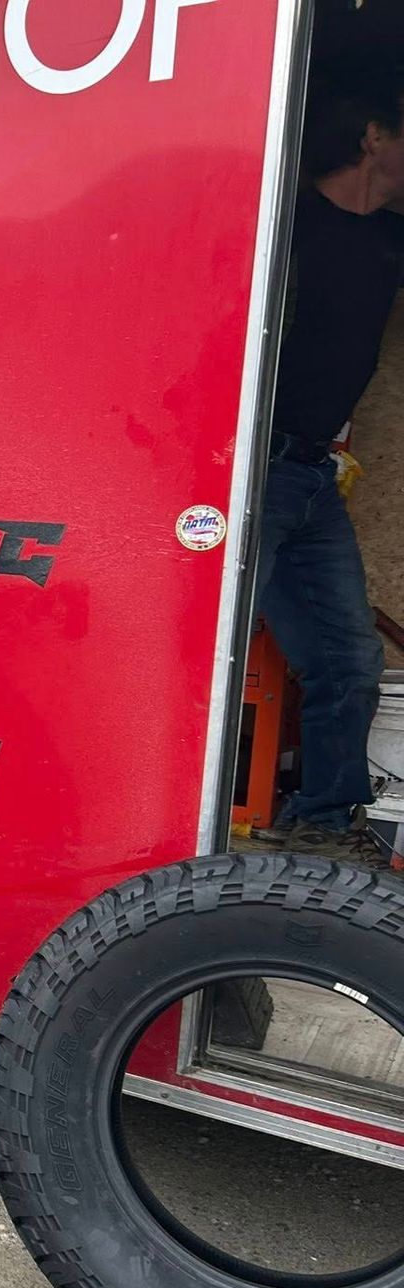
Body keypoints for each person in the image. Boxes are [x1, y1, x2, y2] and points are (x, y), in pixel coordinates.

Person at [256, 66, 404, 860]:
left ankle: (322, 822)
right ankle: (150, 822)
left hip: (312, 474)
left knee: (347, 655)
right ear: (373, 139)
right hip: (247, 471)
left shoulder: (387, 239)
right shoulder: (285, 224)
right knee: (204, 649)